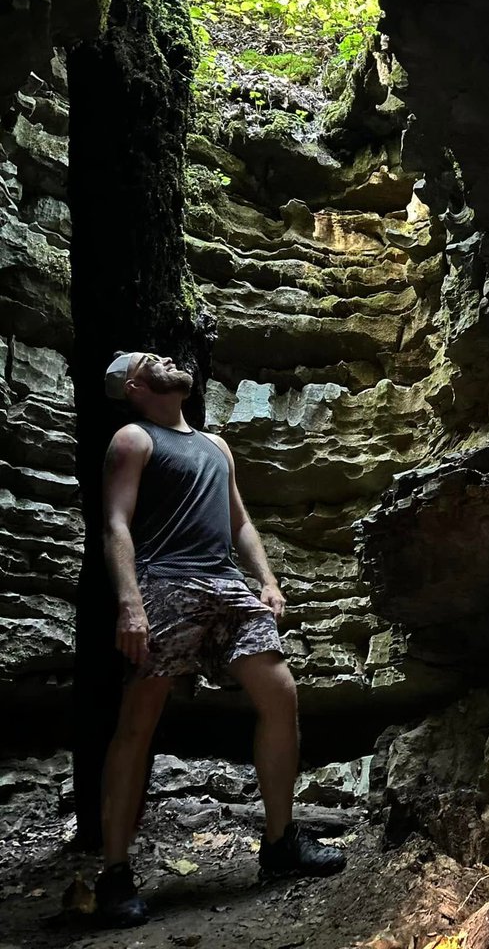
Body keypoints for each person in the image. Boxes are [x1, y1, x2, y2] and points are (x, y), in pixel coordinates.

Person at [94, 350, 345, 927]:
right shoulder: (133, 438)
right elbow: (115, 524)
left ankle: (280, 845)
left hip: (227, 583)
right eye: (148, 360)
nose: (164, 358)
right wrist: (129, 603)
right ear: (134, 385)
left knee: (281, 695)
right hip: (166, 583)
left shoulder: (216, 446)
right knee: (139, 718)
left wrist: (267, 578)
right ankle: (114, 873)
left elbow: (241, 523)